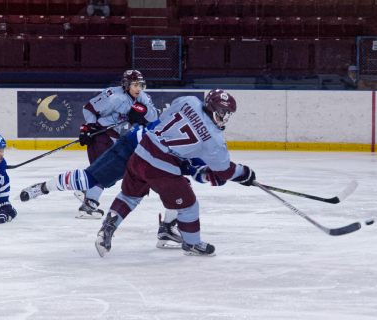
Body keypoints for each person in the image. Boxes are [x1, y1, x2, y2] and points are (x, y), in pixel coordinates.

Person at [19, 115, 226, 249]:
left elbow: (189, 165)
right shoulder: (202, 134)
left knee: (179, 189)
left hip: (154, 156)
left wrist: (206, 173)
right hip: (136, 146)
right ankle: (43, 187)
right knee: (89, 178)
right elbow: (192, 164)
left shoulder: (200, 130)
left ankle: (166, 230)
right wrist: (211, 174)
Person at [95, 89, 256, 257]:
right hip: (161, 166)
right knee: (188, 205)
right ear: (211, 107)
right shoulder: (215, 140)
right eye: (223, 112)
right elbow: (225, 171)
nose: (225, 117)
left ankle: (107, 229)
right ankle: (193, 244)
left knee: (129, 196)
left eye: (228, 113)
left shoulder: (190, 101)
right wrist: (245, 173)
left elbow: (164, 120)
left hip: (141, 152)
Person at [77, 70, 155, 219]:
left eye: (141, 85)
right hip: (100, 134)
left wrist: (143, 111)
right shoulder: (112, 96)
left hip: (113, 136)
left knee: (108, 174)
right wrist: (91, 125)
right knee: (105, 172)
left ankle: (85, 189)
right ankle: (88, 204)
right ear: (126, 85)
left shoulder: (143, 97)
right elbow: (88, 108)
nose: (139, 89)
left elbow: (153, 118)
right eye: (135, 85)